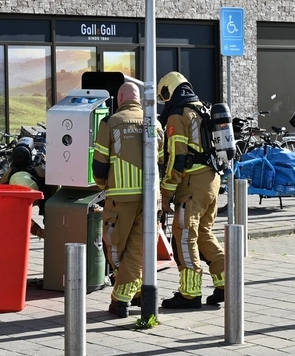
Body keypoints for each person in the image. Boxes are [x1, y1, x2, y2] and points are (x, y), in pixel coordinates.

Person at [157, 72, 227, 309]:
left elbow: (177, 157)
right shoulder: (202, 108)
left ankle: (189, 293)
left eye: (164, 96)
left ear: (170, 92)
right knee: (204, 233)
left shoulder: (178, 115)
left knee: (185, 235)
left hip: (192, 185)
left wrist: (166, 193)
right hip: (211, 180)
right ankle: (225, 283)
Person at [93, 81, 147, 317]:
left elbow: (100, 163)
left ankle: (121, 298)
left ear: (120, 98)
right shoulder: (152, 121)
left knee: (115, 247)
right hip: (148, 198)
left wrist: (103, 185)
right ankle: (134, 293)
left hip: (120, 197)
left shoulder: (112, 121)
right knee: (136, 249)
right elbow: (163, 159)